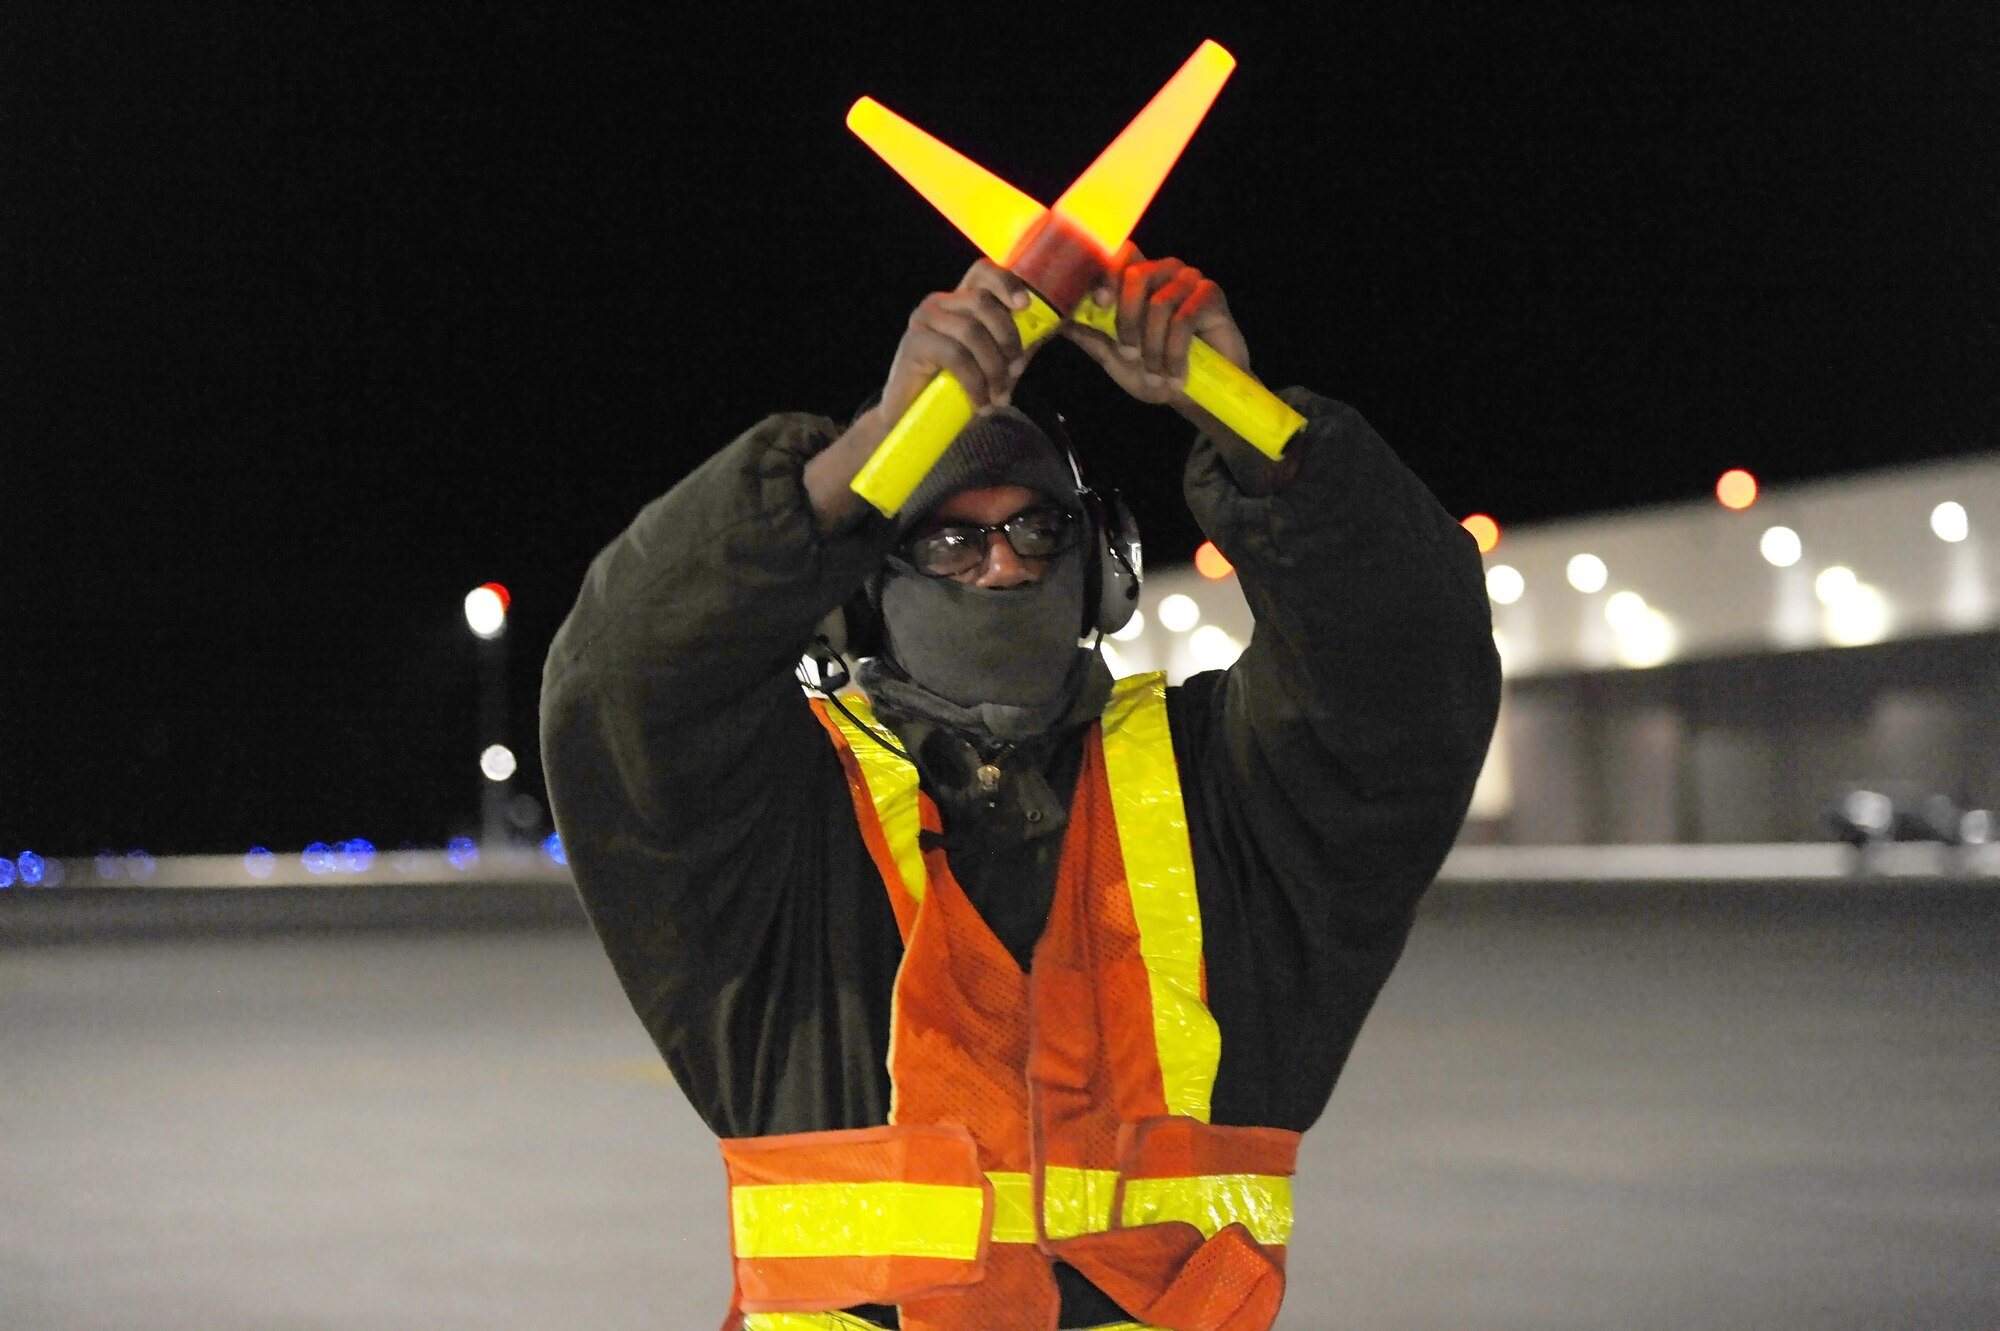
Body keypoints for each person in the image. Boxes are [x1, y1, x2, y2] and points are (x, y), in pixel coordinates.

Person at [539, 253, 1501, 1331]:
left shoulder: (1226, 801)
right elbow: (623, 677)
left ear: (1096, 566)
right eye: (949, 538)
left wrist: (1251, 426)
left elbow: (1410, 665)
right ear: (864, 594)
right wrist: (859, 455)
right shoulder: (780, 841)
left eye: (1036, 529)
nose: (1001, 567)